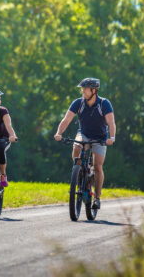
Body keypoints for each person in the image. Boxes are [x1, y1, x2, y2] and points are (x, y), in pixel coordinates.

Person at [54, 78, 116, 210]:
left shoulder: (104, 104)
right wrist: (58, 133)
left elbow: (111, 122)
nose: (82, 91)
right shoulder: (78, 103)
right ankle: (79, 171)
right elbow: (66, 120)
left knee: (98, 166)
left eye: (85, 88)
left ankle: (97, 198)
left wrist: (112, 137)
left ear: (94, 90)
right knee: (77, 145)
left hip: (100, 137)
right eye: (82, 88)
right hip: (84, 134)